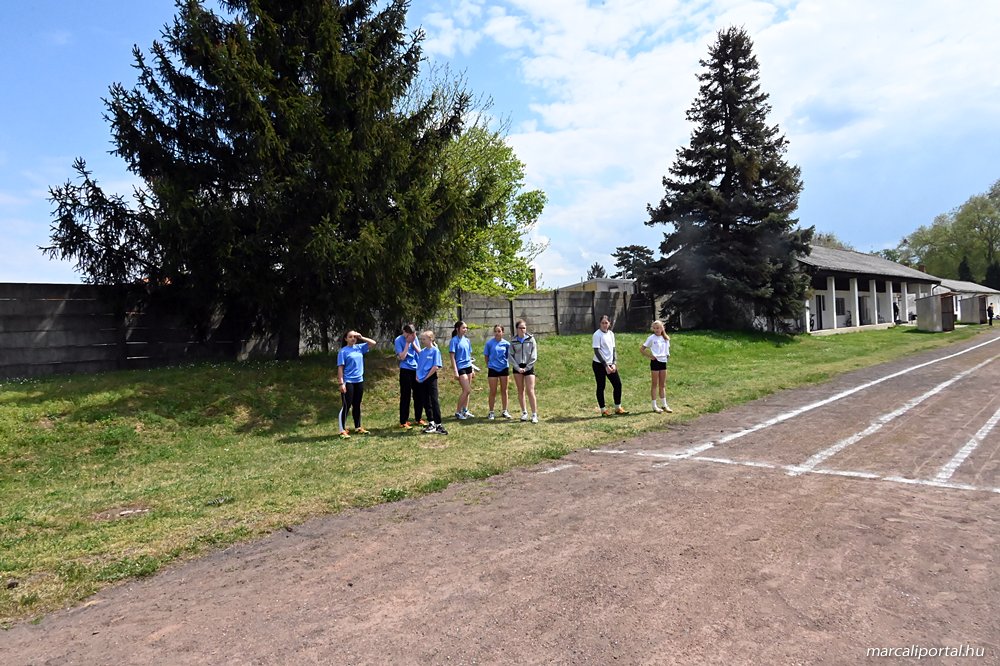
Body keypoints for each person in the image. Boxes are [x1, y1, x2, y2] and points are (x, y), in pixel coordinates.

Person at [337, 330, 377, 439]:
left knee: (357, 404)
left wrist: (361, 337)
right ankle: (342, 430)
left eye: (354, 337)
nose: (353, 338)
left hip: (359, 381)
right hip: (348, 381)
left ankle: (358, 427)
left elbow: (373, 343)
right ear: (346, 339)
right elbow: (340, 368)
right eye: (350, 337)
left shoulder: (359, 348)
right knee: (346, 405)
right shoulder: (343, 351)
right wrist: (341, 383)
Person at [592, 314, 626, 416]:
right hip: (599, 364)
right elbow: (597, 351)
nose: (604, 325)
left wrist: (614, 363)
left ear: (609, 324)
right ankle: (603, 410)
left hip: (611, 364)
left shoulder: (611, 334)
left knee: (618, 384)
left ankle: (618, 407)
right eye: (602, 323)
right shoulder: (597, 335)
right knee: (601, 386)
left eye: (606, 323)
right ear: (600, 324)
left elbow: (613, 349)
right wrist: (605, 365)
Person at [394, 324, 425, 429]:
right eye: (408, 334)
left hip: (416, 369)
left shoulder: (414, 338)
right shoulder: (398, 340)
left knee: (419, 394)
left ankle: (418, 418)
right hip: (405, 369)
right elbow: (402, 357)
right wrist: (407, 343)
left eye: (412, 334)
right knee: (405, 395)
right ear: (404, 332)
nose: (410, 336)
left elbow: (420, 353)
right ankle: (403, 421)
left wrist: (413, 342)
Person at [415, 330, 447, 434]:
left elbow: (435, 366)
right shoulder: (422, 352)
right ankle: (431, 422)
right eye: (421, 339)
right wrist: (418, 376)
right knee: (426, 401)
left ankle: (438, 424)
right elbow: (419, 366)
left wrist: (426, 377)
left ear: (430, 339)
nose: (422, 341)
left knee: (434, 400)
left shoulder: (435, 351)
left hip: (431, 378)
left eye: (424, 339)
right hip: (422, 379)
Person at [640, 319, 673, 413]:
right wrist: (650, 356)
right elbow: (642, 349)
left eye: (658, 328)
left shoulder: (665, 338)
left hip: (663, 361)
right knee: (654, 384)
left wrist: (667, 355)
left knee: (662, 384)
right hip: (655, 362)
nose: (656, 330)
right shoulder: (651, 338)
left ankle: (664, 405)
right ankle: (654, 406)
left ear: (662, 328)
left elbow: (667, 350)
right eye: (654, 328)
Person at [510, 318, 538, 423]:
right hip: (517, 367)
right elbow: (510, 356)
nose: (523, 330)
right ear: (517, 329)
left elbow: (534, 355)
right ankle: (524, 412)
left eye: (524, 328)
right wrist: (517, 368)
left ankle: (534, 414)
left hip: (528, 367)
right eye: (520, 328)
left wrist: (527, 367)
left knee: (530, 390)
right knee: (520, 390)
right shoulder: (513, 341)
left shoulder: (531, 339)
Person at [483, 324, 513, 420]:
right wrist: (489, 365)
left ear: (502, 332)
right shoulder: (489, 343)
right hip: (493, 369)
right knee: (493, 391)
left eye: (499, 331)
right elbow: (486, 356)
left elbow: (509, 356)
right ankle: (491, 412)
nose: (497, 333)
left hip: (504, 368)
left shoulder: (507, 344)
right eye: (495, 331)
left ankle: (505, 410)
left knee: (504, 390)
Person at [449, 320, 476, 419]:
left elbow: (469, 356)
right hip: (460, 368)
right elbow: (452, 357)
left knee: (467, 391)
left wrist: (472, 369)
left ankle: (465, 410)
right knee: (467, 390)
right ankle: (458, 412)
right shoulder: (454, 341)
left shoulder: (467, 340)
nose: (465, 329)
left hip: (468, 366)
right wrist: (455, 371)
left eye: (466, 328)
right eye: (463, 328)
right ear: (457, 329)